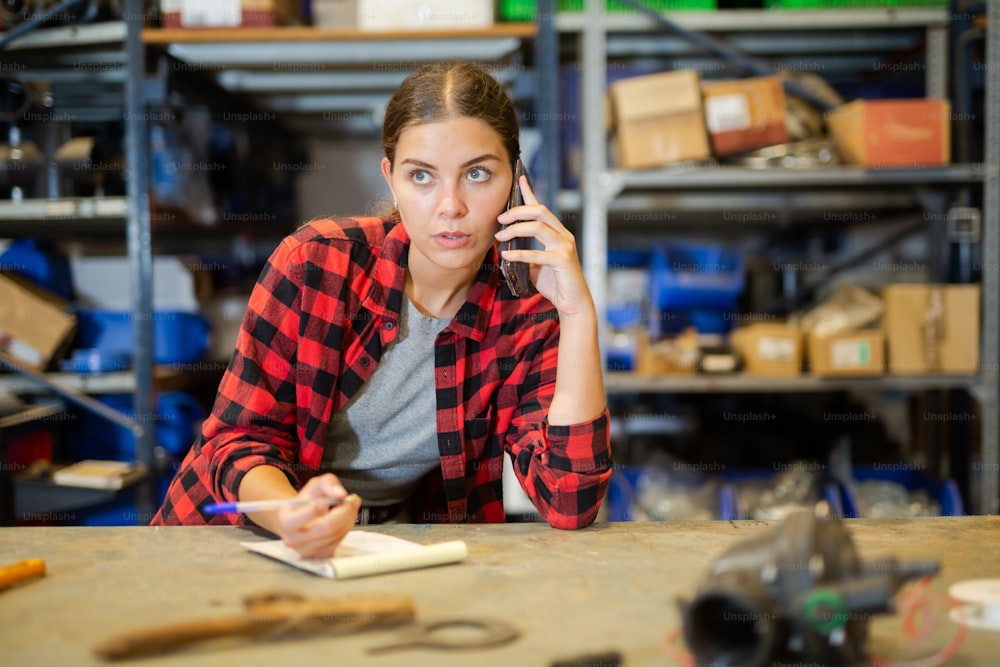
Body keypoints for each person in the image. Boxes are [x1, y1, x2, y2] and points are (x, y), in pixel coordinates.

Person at [151, 62, 611, 558]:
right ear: (391, 179)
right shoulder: (315, 264)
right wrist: (292, 515)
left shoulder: (525, 311)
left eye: (477, 174)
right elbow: (238, 441)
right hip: (229, 538)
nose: (450, 205)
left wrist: (578, 314)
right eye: (422, 176)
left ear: (516, 180)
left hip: (377, 553)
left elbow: (569, 500)